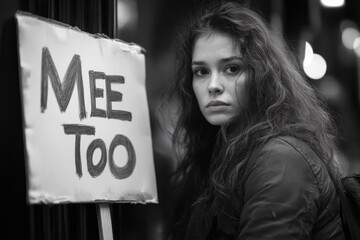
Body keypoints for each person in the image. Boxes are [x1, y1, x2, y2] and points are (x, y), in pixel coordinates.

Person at [159, 1, 346, 240]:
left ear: (261, 76)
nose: (213, 86)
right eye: (201, 72)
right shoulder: (218, 151)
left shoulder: (280, 158)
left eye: (232, 68)